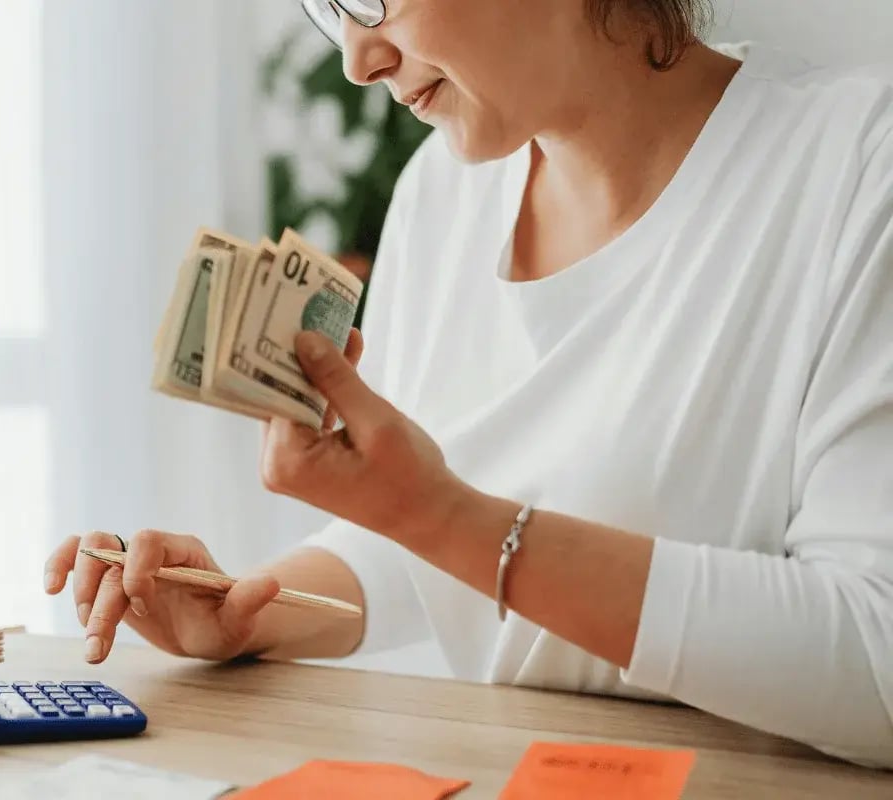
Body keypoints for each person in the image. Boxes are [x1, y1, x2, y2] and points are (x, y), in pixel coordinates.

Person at [45, 0, 893, 768]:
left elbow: (877, 661)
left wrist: (443, 516)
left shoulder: (858, 165)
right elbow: (429, 550)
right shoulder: (442, 194)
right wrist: (250, 613)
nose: (357, 59)